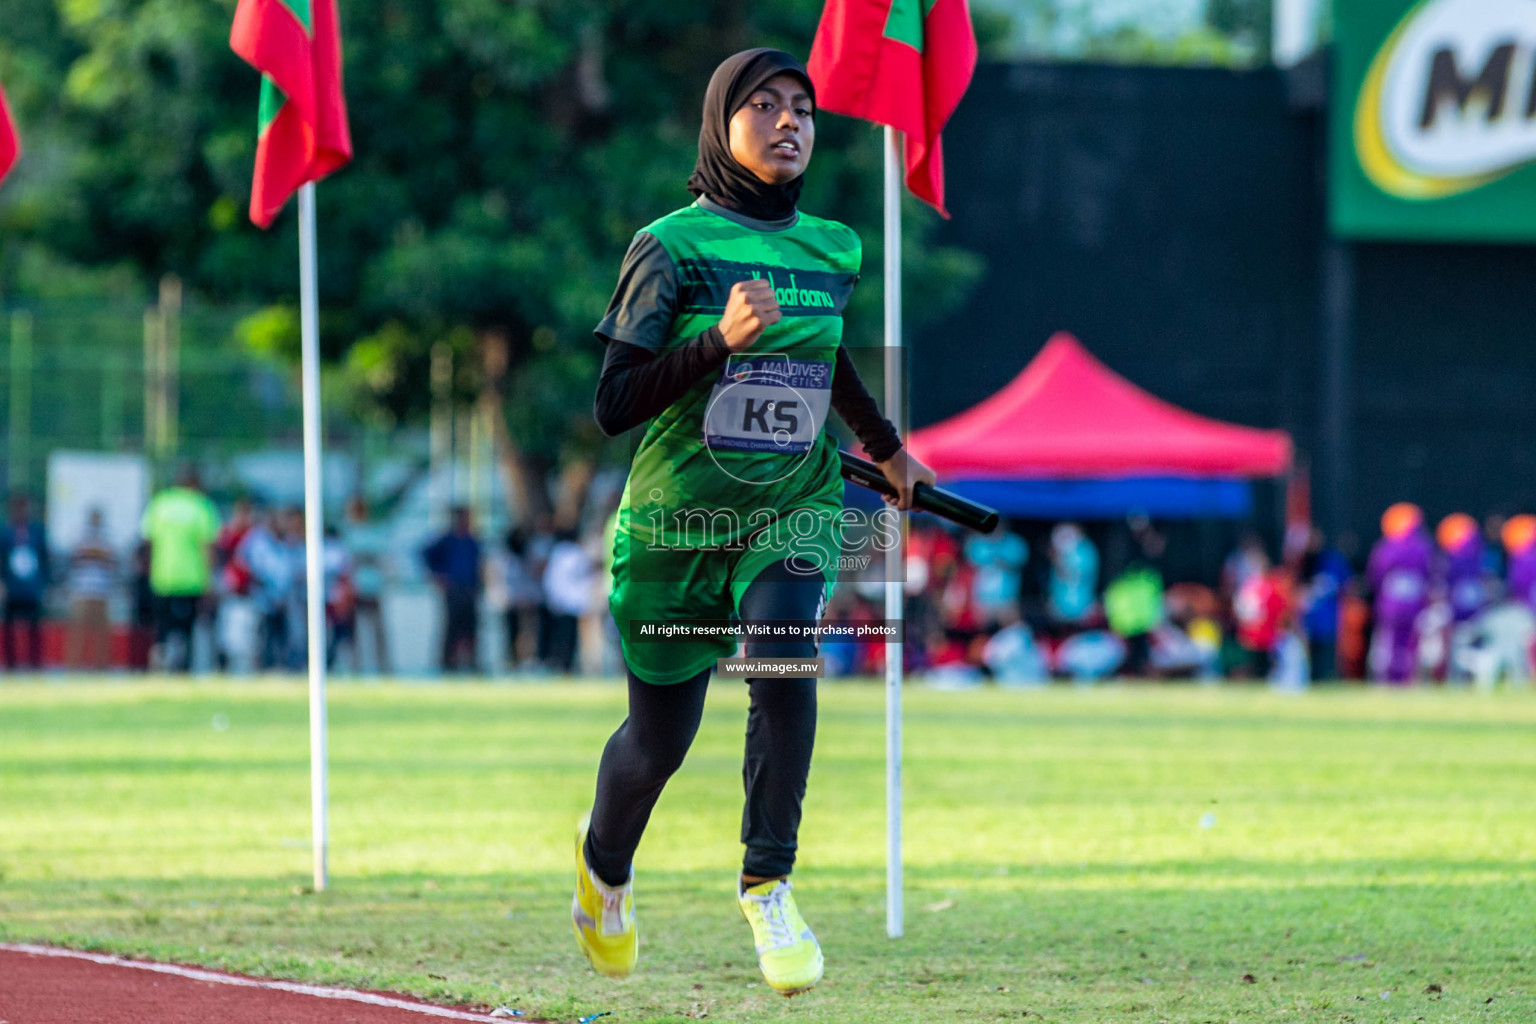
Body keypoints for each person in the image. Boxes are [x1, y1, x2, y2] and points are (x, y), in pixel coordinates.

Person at [572, 49, 935, 996]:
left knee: (782, 660)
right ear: (719, 124)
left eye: (803, 109)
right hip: (679, 525)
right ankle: (605, 871)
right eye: (763, 106)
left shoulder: (835, 248)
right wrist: (717, 341)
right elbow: (613, 402)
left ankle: (768, 882)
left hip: (794, 503)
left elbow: (829, 357)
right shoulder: (671, 246)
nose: (788, 123)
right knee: (659, 743)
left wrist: (886, 446)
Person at [140, 469, 220, 672]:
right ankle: (184, 670)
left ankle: (159, 667)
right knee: (188, 631)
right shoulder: (201, 505)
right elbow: (207, 547)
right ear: (194, 483)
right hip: (192, 579)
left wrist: (148, 571)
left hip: (162, 577)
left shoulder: (160, 503)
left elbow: (148, 541)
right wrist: (210, 582)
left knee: (162, 630)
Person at [1365, 502, 1432, 684]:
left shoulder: (1386, 548)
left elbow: (1375, 576)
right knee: (1411, 645)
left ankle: (1386, 680)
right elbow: (1429, 575)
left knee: (1389, 645)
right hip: (1415, 605)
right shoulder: (1423, 547)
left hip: (1390, 606)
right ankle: (1408, 679)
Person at [422, 506, 482, 674]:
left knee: (471, 627)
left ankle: (471, 662)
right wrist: (438, 576)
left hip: (470, 589)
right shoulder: (447, 540)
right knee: (452, 627)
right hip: (454, 589)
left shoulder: (472, 541)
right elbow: (426, 555)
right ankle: (447, 663)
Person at [342, 497, 391, 675]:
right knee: (354, 632)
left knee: (377, 630)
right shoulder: (347, 533)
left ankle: (384, 666)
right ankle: (356, 666)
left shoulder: (373, 533)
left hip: (372, 587)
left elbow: (380, 558)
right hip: (355, 589)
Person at [1, 494, 50, 670]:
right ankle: (11, 664)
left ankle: (34, 663)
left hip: (32, 588)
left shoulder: (37, 531)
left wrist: (44, 585)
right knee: (9, 628)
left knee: (34, 628)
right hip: (12, 588)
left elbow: (45, 560)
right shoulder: (5, 532)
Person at [66, 508, 118, 670]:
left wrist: (94, 553)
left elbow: (111, 558)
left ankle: (101, 667)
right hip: (82, 592)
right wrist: (97, 554)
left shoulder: (107, 536)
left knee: (102, 634)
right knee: (78, 632)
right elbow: (77, 555)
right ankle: (73, 667)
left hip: (101, 592)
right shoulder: (80, 534)